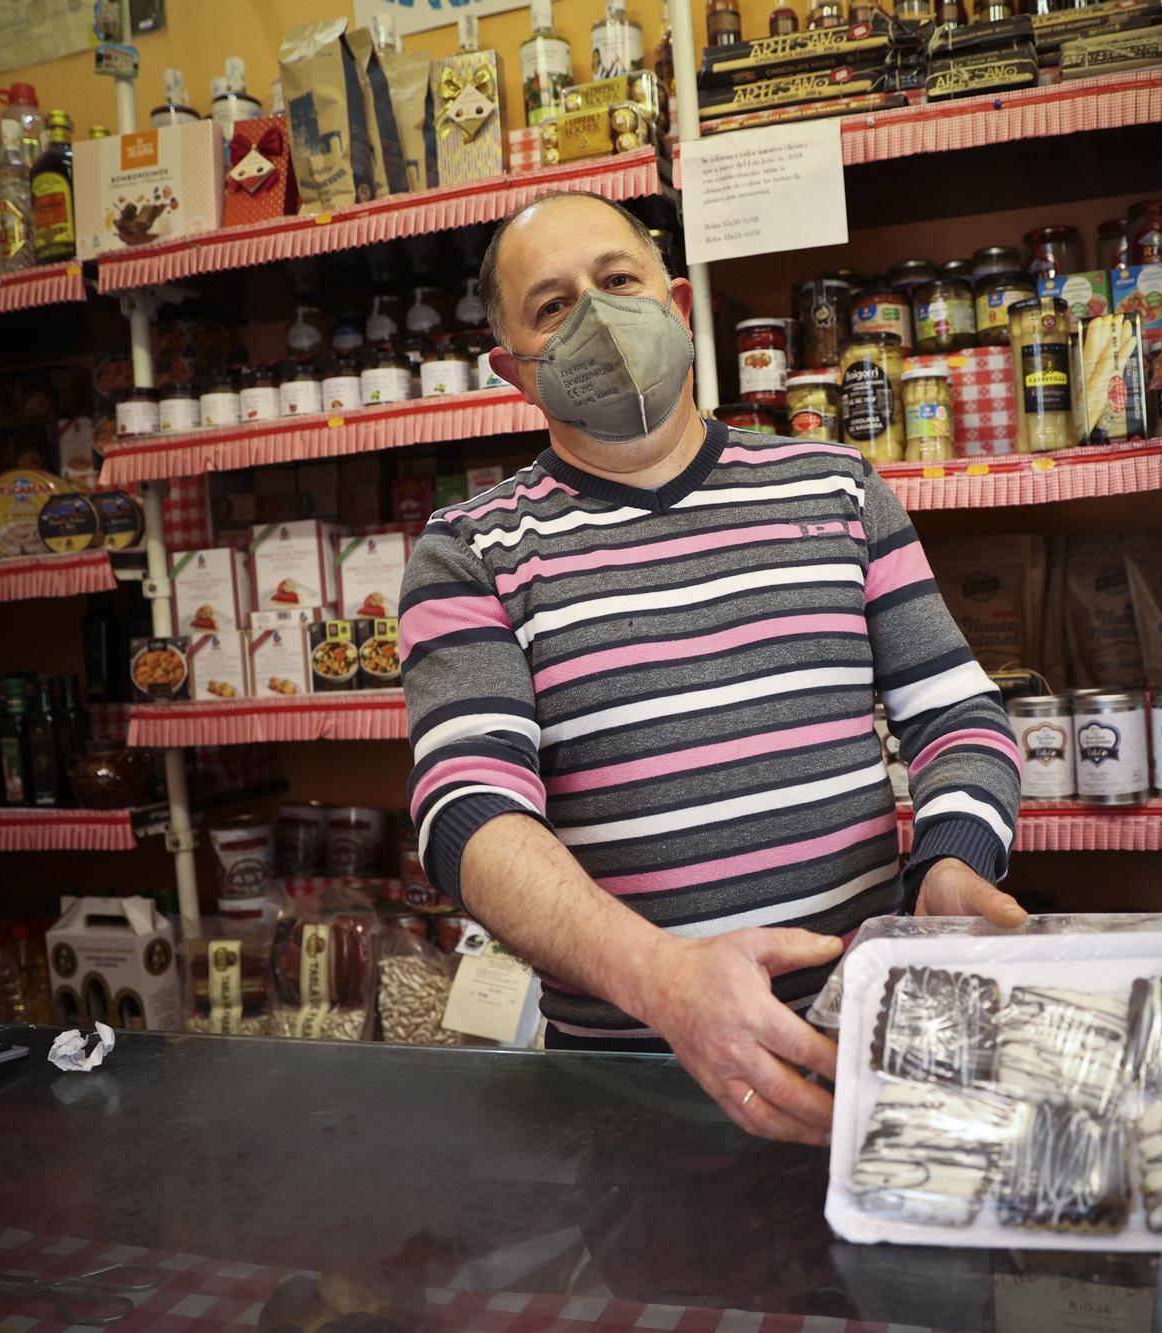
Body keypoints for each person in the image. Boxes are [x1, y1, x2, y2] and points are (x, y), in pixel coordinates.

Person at [401, 191, 1024, 1145]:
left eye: (618, 281)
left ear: (680, 306)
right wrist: (665, 981)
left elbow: (958, 717)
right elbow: (471, 818)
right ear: (513, 371)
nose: (600, 316)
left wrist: (948, 862)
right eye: (554, 305)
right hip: (630, 1093)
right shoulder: (467, 552)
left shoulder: (837, 487)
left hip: (866, 1045)